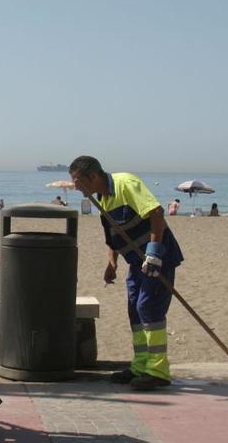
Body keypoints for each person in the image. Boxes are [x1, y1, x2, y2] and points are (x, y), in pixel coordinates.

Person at [70, 155, 184, 391]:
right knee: (134, 310)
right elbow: (113, 238)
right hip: (135, 262)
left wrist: (154, 252)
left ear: (93, 176)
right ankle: (141, 365)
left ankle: (158, 370)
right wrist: (111, 263)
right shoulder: (100, 199)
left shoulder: (125, 184)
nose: (76, 187)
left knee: (148, 307)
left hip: (156, 258)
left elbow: (156, 213)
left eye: (78, 181)